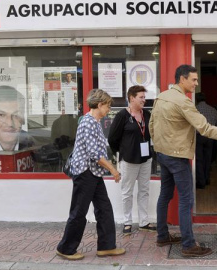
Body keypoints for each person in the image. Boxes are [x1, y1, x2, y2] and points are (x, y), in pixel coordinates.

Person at [149, 64, 217, 258]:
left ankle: (162, 236)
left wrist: (159, 146)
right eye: (194, 80)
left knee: (165, 195)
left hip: (162, 153)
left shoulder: (161, 97)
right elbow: (205, 128)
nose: (196, 83)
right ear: (182, 79)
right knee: (186, 200)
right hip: (178, 156)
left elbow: (151, 125)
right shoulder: (183, 102)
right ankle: (188, 245)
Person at [56, 89, 125, 261]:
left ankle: (106, 247)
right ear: (99, 104)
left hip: (93, 173)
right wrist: (113, 170)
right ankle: (66, 248)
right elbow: (95, 154)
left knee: (104, 209)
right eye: (107, 105)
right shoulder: (87, 122)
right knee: (79, 211)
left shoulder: (94, 122)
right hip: (85, 173)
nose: (109, 109)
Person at [108, 85, 156, 235]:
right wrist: (123, 151)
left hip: (145, 159)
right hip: (129, 160)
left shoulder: (147, 115)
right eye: (141, 97)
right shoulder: (122, 116)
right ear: (131, 98)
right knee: (127, 192)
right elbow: (112, 138)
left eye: (144, 97)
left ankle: (144, 222)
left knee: (144, 190)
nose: (144, 99)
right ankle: (127, 222)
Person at [195, 92, 217, 188]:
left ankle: (201, 182)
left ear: (196, 99)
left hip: (198, 137)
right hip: (210, 137)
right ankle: (206, 179)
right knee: (208, 159)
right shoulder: (212, 109)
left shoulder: (195, 110)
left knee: (199, 160)